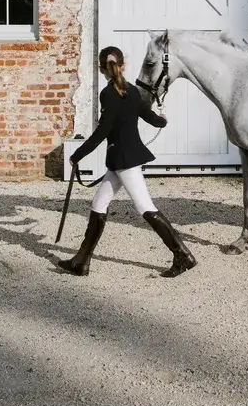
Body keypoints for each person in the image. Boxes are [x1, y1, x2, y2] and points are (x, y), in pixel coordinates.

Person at [55, 45, 197, 277]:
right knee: (98, 205)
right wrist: (163, 120)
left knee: (146, 207)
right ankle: (81, 262)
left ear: (102, 70)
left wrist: (77, 155)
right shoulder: (132, 92)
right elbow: (154, 120)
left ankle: (182, 255)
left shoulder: (108, 94)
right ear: (123, 66)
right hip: (122, 161)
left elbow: (102, 132)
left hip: (124, 161)